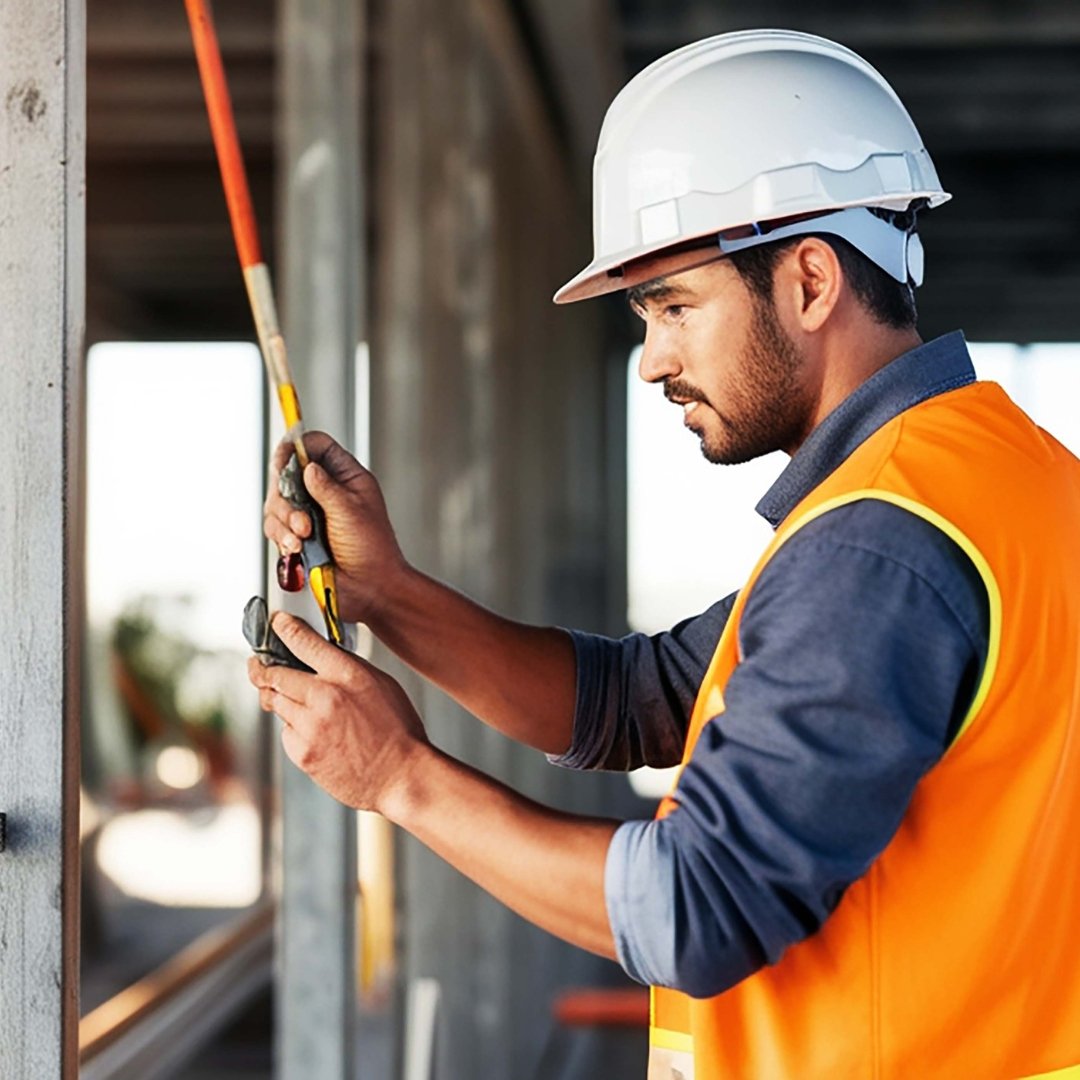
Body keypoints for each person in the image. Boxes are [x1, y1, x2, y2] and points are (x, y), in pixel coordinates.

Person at [248, 30, 1080, 1079]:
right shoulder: (1001, 479)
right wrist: (389, 595)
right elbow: (635, 700)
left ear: (809, 280)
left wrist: (397, 777)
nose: (651, 362)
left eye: (676, 306)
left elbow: (699, 906)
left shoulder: (880, 544)